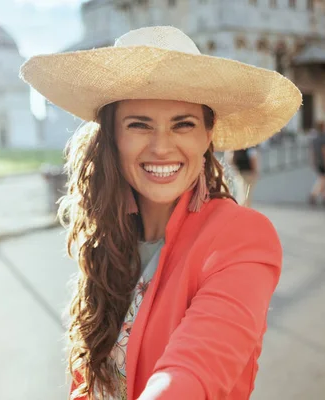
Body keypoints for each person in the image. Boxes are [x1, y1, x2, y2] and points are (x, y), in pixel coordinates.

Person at [20, 26, 301, 400]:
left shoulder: (241, 236)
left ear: (207, 135)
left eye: (183, 125)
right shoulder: (110, 240)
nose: (161, 147)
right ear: (112, 136)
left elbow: (195, 370)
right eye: (139, 125)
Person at [308, 121, 325, 206]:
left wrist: (313, 161)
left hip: (317, 161)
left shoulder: (314, 138)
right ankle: (313, 194)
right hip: (323, 161)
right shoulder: (324, 137)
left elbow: (312, 151)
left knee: (323, 179)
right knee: (323, 179)